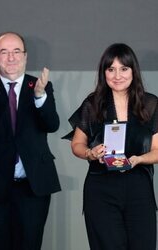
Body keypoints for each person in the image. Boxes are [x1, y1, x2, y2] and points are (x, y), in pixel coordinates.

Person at [0, 31, 61, 250]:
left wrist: (40, 96)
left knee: (30, 245)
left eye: (16, 51)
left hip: (33, 187)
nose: (11, 57)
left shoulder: (39, 85)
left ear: (25, 56)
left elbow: (52, 125)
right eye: (4, 52)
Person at [65, 43, 158, 250]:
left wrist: (140, 159)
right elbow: (77, 144)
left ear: (133, 71)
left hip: (139, 188)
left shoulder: (150, 104)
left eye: (124, 69)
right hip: (101, 189)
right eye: (111, 69)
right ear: (103, 73)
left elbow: (157, 150)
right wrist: (90, 153)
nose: (117, 75)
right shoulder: (93, 104)